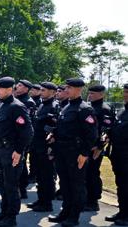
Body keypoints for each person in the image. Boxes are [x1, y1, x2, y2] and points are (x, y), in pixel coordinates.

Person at [48, 78, 98, 226]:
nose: (66, 90)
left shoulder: (85, 109)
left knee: (76, 185)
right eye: (66, 87)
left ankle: (74, 215)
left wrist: (84, 154)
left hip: (76, 153)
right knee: (65, 183)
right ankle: (65, 211)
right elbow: (61, 128)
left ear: (79, 89)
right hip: (62, 151)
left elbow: (92, 134)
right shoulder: (66, 107)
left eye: (70, 87)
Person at [0, 77, 33, 227]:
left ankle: (11, 217)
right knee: (2, 184)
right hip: (0, 150)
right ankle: (4, 212)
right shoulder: (2, 106)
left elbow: (27, 132)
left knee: (11, 185)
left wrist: (19, 151)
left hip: (11, 152)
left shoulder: (16, 106)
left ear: (8, 89)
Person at [26, 82, 59, 212]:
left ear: (52, 92)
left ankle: (47, 203)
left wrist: (52, 147)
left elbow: (55, 129)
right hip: (37, 146)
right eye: (41, 90)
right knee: (39, 175)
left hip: (46, 148)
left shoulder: (54, 107)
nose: (41, 92)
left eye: (44, 90)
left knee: (47, 176)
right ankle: (40, 200)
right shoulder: (41, 106)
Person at [84, 84, 115, 212]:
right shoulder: (89, 107)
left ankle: (93, 201)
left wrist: (99, 147)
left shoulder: (104, 109)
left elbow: (106, 131)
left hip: (95, 148)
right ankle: (86, 198)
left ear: (101, 94)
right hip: (86, 146)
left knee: (92, 174)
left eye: (93, 93)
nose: (90, 95)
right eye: (89, 93)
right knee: (85, 174)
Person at [106, 83, 128, 226]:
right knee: (121, 184)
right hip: (118, 154)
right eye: (125, 92)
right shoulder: (122, 111)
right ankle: (122, 211)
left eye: (127, 92)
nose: (125, 94)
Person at [14, 79, 37, 199]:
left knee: (21, 164)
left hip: (22, 138)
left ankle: (22, 189)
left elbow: (27, 125)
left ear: (26, 89)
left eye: (20, 85)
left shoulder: (28, 102)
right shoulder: (17, 100)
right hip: (15, 138)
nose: (16, 87)